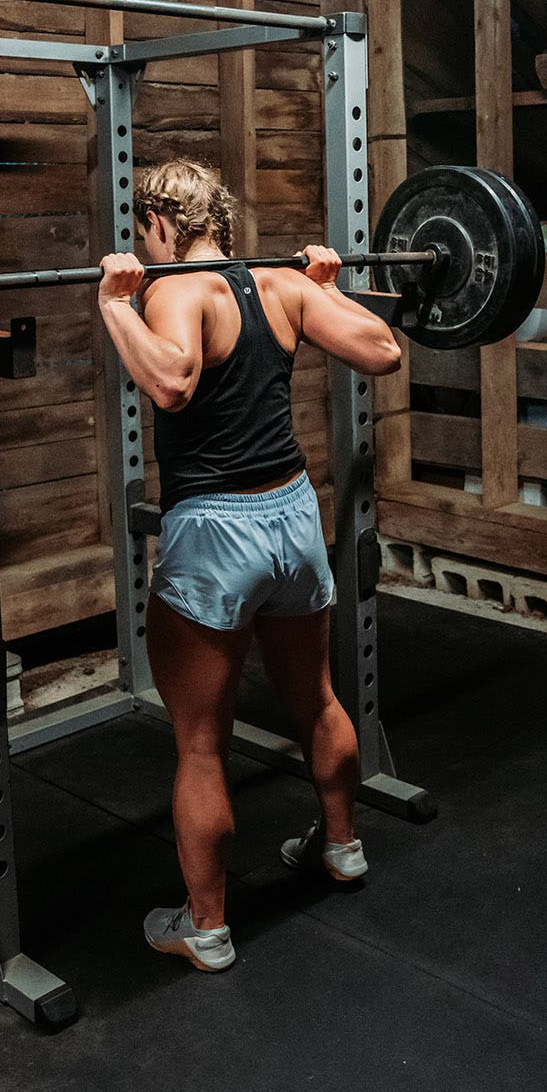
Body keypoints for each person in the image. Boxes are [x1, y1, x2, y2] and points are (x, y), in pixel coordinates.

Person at [96, 159, 405, 973]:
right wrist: (329, 289)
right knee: (317, 699)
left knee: (201, 745)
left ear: (160, 226)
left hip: (214, 529)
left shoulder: (169, 288)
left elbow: (170, 382)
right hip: (294, 514)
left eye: (142, 229)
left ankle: (206, 926)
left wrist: (114, 303)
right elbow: (384, 349)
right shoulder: (279, 282)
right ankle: (341, 846)